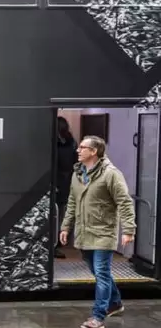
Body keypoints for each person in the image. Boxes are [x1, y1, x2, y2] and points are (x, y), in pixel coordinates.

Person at [59, 135, 135, 328]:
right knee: (98, 272)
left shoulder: (111, 174)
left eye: (82, 147)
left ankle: (98, 317)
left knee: (101, 273)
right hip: (84, 232)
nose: (78, 150)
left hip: (103, 233)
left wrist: (128, 230)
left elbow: (124, 202)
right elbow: (72, 202)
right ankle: (115, 303)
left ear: (94, 152)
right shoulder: (78, 173)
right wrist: (66, 226)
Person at [55, 116, 78, 259]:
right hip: (67, 182)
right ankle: (58, 243)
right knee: (61, 215)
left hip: (58, 183)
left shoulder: (53, 143)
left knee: (56, 216)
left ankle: (55, 244)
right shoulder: (72, 143)